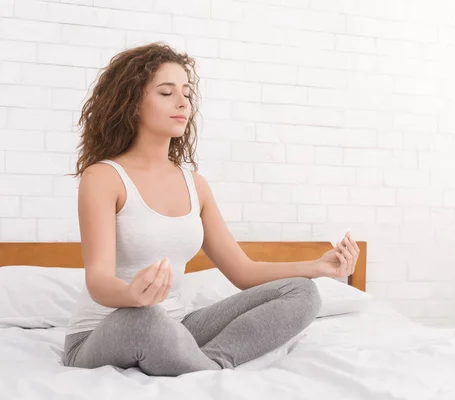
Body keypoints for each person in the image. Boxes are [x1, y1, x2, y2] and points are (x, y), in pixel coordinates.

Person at [63, 42, 361, 377]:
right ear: (132, 103)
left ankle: (213, 364)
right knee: (145, 319)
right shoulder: (103, 177)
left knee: (302, 291)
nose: (182, 102)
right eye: (165, 92)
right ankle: (200, 366)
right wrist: (133, 295)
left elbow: (243, 272)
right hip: (104, 332)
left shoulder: (195, 185)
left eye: (186, 93)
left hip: (178, 326)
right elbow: (99, 281)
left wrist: (318, 267)